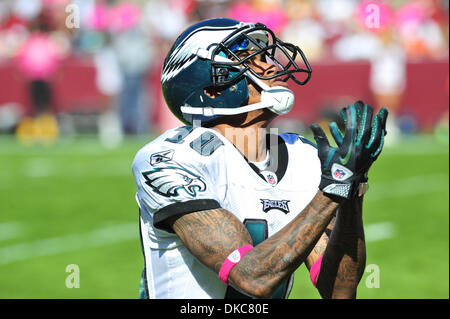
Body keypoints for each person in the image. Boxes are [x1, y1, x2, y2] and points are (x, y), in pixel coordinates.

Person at [132, 18, 388, 299]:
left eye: (265, 55)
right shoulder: (172, 159)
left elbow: (339, 289)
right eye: (247, 58)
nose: (270, 65)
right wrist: (332, 190)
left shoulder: (302, 156)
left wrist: (351, 188)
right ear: (212, 90)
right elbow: (251, 276)